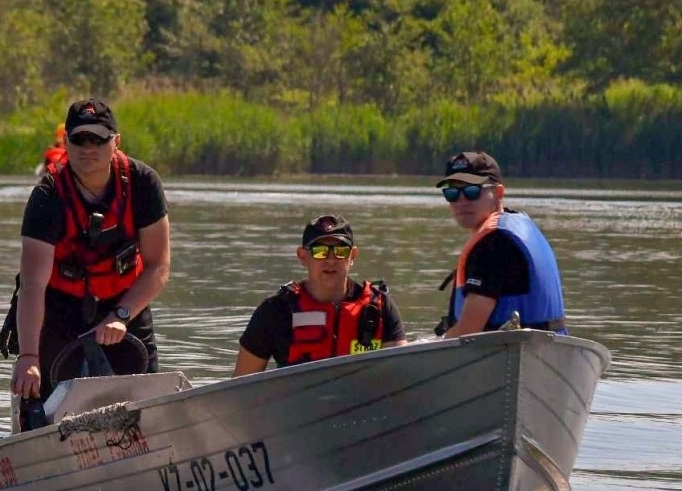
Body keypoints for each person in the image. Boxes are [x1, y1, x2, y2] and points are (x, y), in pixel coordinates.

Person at [7, 98, 171, 403]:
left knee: (143, 401)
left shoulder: (143, 183)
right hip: (59, 308)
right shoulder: (47, 196)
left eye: (98, 139)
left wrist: (121, 315)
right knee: (44, 399)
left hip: (125, 304)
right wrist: (28, 356)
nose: (88, 148)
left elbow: (158, 267)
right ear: (66, 143)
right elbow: (33, 285)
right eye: (79, 139)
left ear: (116, 142)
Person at [233, 214, 406, 376]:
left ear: (352, 255)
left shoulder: (380, 307)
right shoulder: (275, 311)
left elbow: (402, 375)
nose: (330, 260)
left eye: (340, 251)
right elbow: (241, 384)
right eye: (320, 251)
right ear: (302, 257)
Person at [433, 151, 566, 337]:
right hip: (549, 347)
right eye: (452, 193)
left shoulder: (493, 244)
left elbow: (468, 331)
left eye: (472, 191)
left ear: (498, 193)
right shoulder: (518, 227)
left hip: (502, 349)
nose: (461, 201)